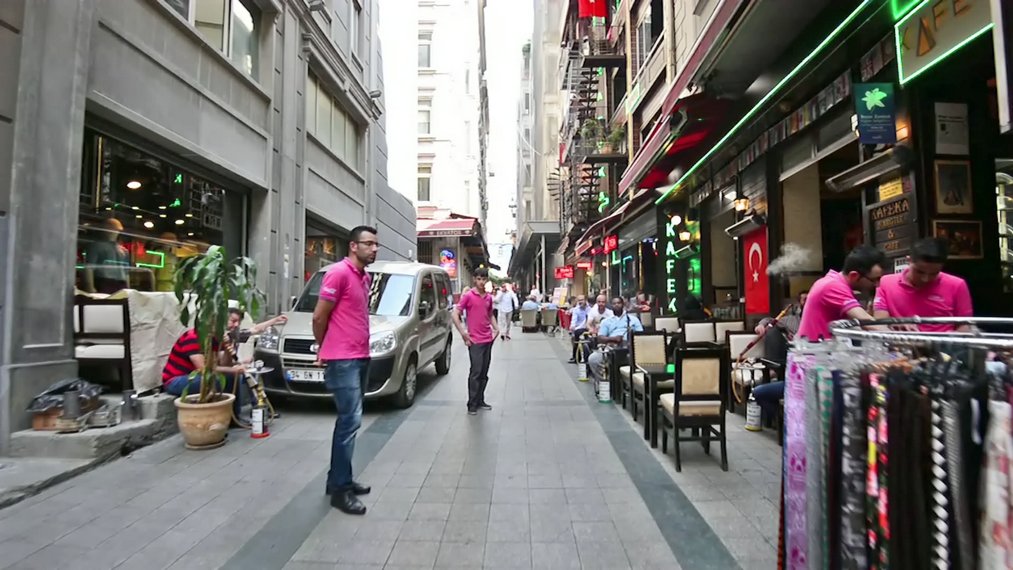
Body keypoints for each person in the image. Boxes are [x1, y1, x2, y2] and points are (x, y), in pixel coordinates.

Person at [312, 225, 378, 515]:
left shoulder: (364, 277)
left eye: (376, 244)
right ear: (353, 246)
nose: (374, 249)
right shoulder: (338, 273)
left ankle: (338, 479)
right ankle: (340, 491)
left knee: (348, 422)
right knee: (350, 422)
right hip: (343, 360)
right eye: (369, 244)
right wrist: (323, 347)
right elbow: (319, 316)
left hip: (360, 355)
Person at [873, 237, 973, 332]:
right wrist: (896, 322)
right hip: (901, 342)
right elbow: (880, 320)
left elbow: (965, 325)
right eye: (919, 272)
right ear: (909, 260)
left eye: (933, 273)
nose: (925, 279)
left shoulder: (957, 285)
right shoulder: (886, 282)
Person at [796, 244, 885, 341]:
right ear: (854, 275)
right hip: (815, 348)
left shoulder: (834, 281)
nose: (877, 284)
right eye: (874, 280)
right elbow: (868, 323)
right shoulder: (833, 286)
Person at [749, 291, 807, 419]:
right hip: (791, 362)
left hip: (806, 370)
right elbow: (770, 320)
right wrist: (761, 325)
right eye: (805, 299)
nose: (808, 302)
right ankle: (780, 419)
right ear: (799, 303)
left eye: (810, 299)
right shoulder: (791, 320)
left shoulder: (819, 322)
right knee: (772, 331)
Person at [452, 268, 498, 415]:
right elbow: (455, 314)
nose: (481, 282)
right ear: (474, 279)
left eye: (484, 279)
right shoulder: (468, 296)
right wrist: (463, 333)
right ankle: (472, 403)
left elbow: (490, 314)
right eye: (479, 279)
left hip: (488, 339)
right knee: (476, 372)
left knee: (484, 372)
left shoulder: (488, 297)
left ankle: (480, 400)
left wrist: (496, 328)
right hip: (475, 341)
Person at [586, 297, 644, 386]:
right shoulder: (606, 321)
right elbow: (600, 338)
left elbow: (641, 335)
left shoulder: (633, 319)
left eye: (619, 303)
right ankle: (605, 382)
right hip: (611, 347)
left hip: (630, 349)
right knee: (593, 359)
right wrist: (613, 339)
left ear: (623, 305)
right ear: (611, 306)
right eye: (614, 303)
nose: (616, 305)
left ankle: (630, 385)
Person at [85, 217, 130, 294]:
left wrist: (128, 290)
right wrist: (90, 288)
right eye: (112, 229)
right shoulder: (96, 246)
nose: (114, 232)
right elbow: (89, 269)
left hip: (119, 284)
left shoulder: (124, 251)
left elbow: (126, 273)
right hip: (104, 283)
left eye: (116, 230)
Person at [567, 295, 591, 363]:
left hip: (588, 327)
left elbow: (587, 320)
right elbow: (574, 320)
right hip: (579, 328)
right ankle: (575, 356)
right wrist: (572, 327)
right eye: (579, 300)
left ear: (585, 300)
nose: (580, 302)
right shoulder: (576, 309)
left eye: (582, 300)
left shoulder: (590, 309)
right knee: (577, 334)